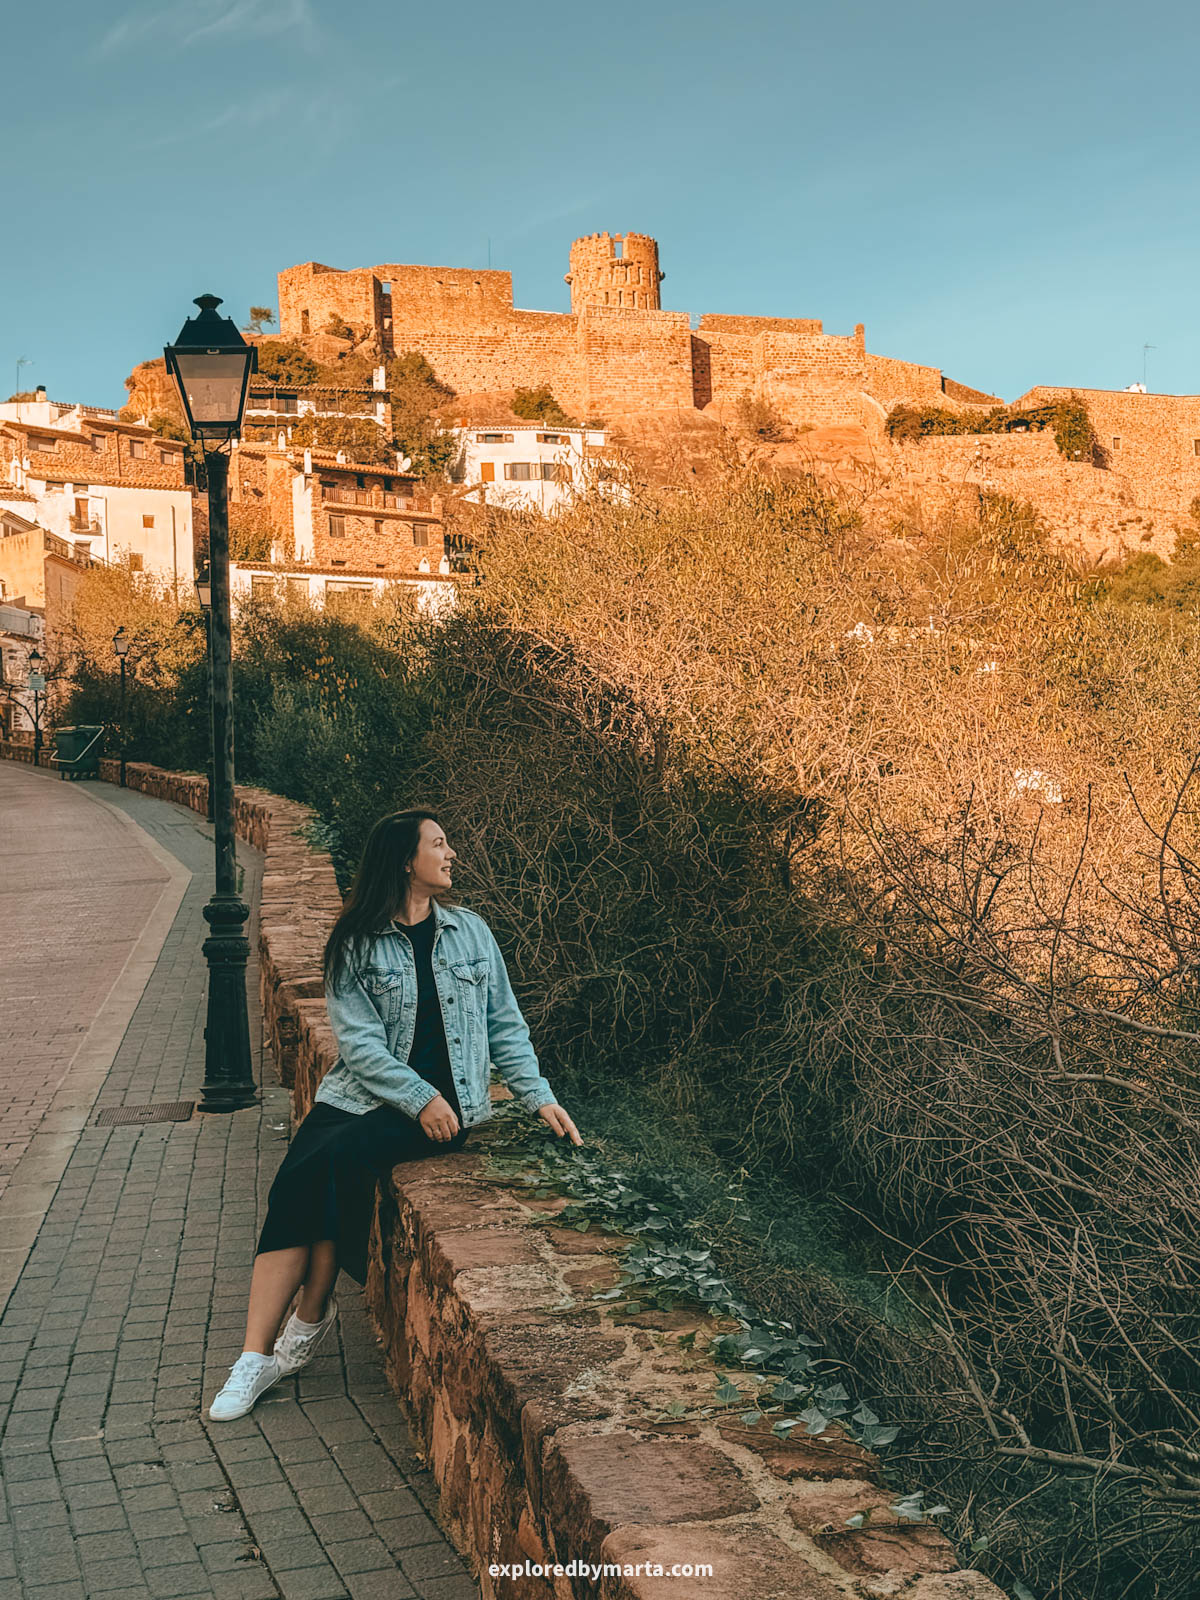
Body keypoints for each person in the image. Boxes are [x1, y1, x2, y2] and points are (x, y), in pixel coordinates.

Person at [208, 807, 582, 1420]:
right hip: (361, 1099)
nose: (451, 853)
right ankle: (263, 1352)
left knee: (312, 1175)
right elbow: (359, 1048)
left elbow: (505, 1026)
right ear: (406, 861)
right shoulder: (355, 941)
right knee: (302, 1184)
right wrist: (418, 1095)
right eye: (439, 844)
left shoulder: (471, 932)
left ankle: (296, 1330)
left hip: (445, 1113)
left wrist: (538, 1096)